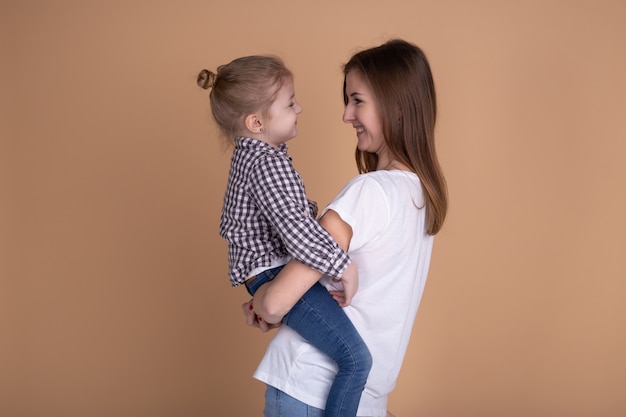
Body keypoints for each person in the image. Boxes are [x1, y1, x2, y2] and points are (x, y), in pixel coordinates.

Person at [244, 39, 448, 417]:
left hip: (323, 393)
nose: (346, 115)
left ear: (397, 106)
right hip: (326, 389)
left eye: (357, 100)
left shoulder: (371, 192)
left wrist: (262, 304)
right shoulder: (422, 197)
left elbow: (273, 303)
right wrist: (271, 303)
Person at [197, 55, 372, 417]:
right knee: (356, 361)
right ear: (257, 122)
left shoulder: (255, 158)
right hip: (273, 273)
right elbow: (296, 231)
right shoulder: (266, 163)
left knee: (354, 359)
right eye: (290, 103)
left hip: (267, 274)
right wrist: (342, 266)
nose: (300, 108)